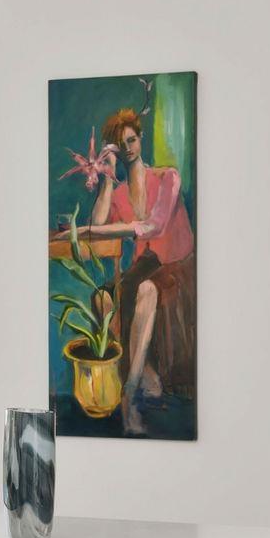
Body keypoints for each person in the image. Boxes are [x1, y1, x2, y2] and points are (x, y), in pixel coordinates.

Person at [80, 105, 194, 434]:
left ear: (140, 139)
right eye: (120, 144)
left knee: (145, 289)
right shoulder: (119, 194)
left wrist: (96, 230)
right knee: (102, 298)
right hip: (143, 268)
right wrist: (106, 178)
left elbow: (154, 227)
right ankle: (147, 376)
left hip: (176, 266)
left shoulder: (167, 177)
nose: (128, 147)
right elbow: (98, 225)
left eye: (131, 140)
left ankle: (130, 394)